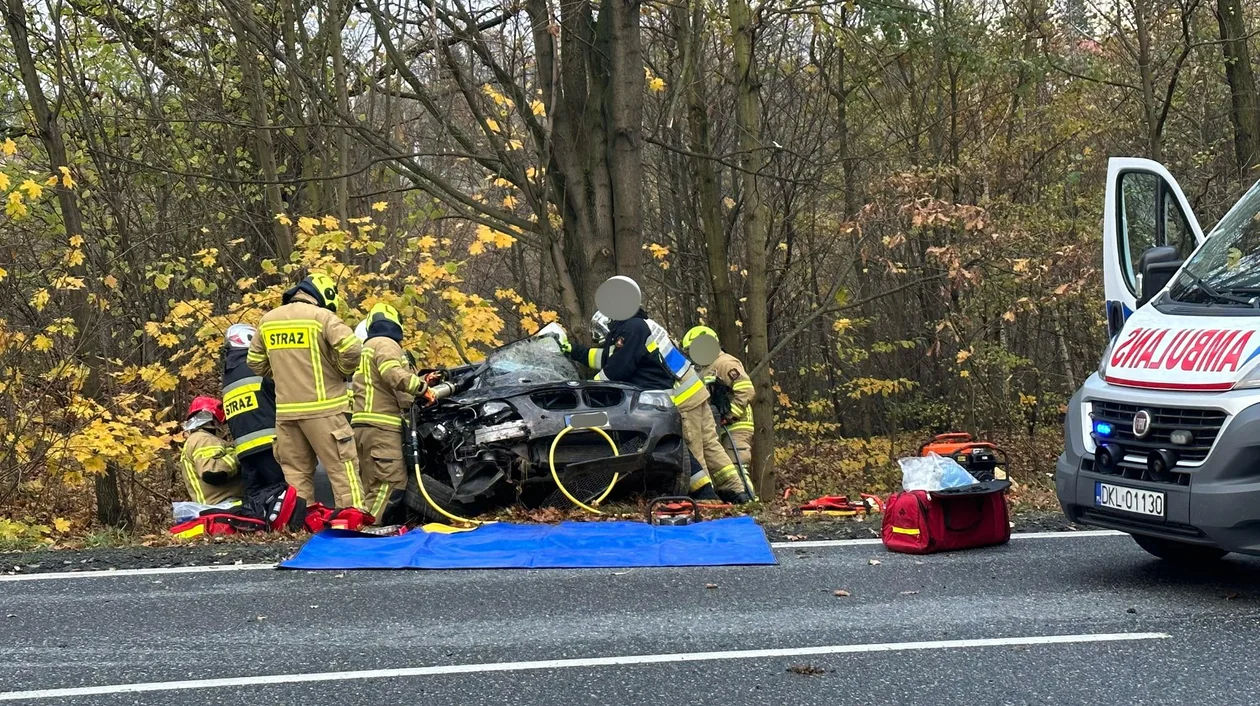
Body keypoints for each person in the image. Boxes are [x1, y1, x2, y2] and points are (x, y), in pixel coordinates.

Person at [557, 276, 750, 503]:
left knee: (691, 450)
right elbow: (606, 357)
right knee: (711, 446)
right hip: (694, 392)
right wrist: (574, 351)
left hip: (682, 398)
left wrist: (592, 388)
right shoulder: (641, 326)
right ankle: (739, 495)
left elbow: (617, 368)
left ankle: (706, 501)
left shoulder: (632, 328)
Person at [247, 273, 365, 509]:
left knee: (295, 473)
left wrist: (281, 374)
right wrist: (339, 370)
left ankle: (301, 525)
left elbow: (253, 360)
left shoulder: (268, 320)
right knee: (343, 469)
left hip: (286, 413)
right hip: (325, 410)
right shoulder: (322, 317)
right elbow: (352, 349)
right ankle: (353, 521)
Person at [352, 303, 433, 523]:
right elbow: (392, 373)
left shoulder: (365, 348)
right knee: (390, 483)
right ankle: (367, 528)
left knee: (371, 486)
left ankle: (357, 530)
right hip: (382, 426)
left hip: (362, 425)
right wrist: (423, 389)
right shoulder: (385, 343)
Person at [682, 325, 757, 497]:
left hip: (737, 425)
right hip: (719, 425)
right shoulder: (707, 367)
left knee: (737, 465)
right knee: (724, 468)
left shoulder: (725, 363)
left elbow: (746, 390)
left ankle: (750, 502)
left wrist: (730, 415)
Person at [221, 324, 286, 498]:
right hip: (268, 445)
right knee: (282, 494)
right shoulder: (255, 366)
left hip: (244, 452)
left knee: (255, 498)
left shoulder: (228, 375)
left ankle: (257, 526)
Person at [179, 396, 243, 505]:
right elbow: (212, 473)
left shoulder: (196, 439)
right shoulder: (203, 438)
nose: (223, 426)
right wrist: (241, 454)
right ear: (212, 420)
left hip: (219, 506)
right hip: (227, 506)